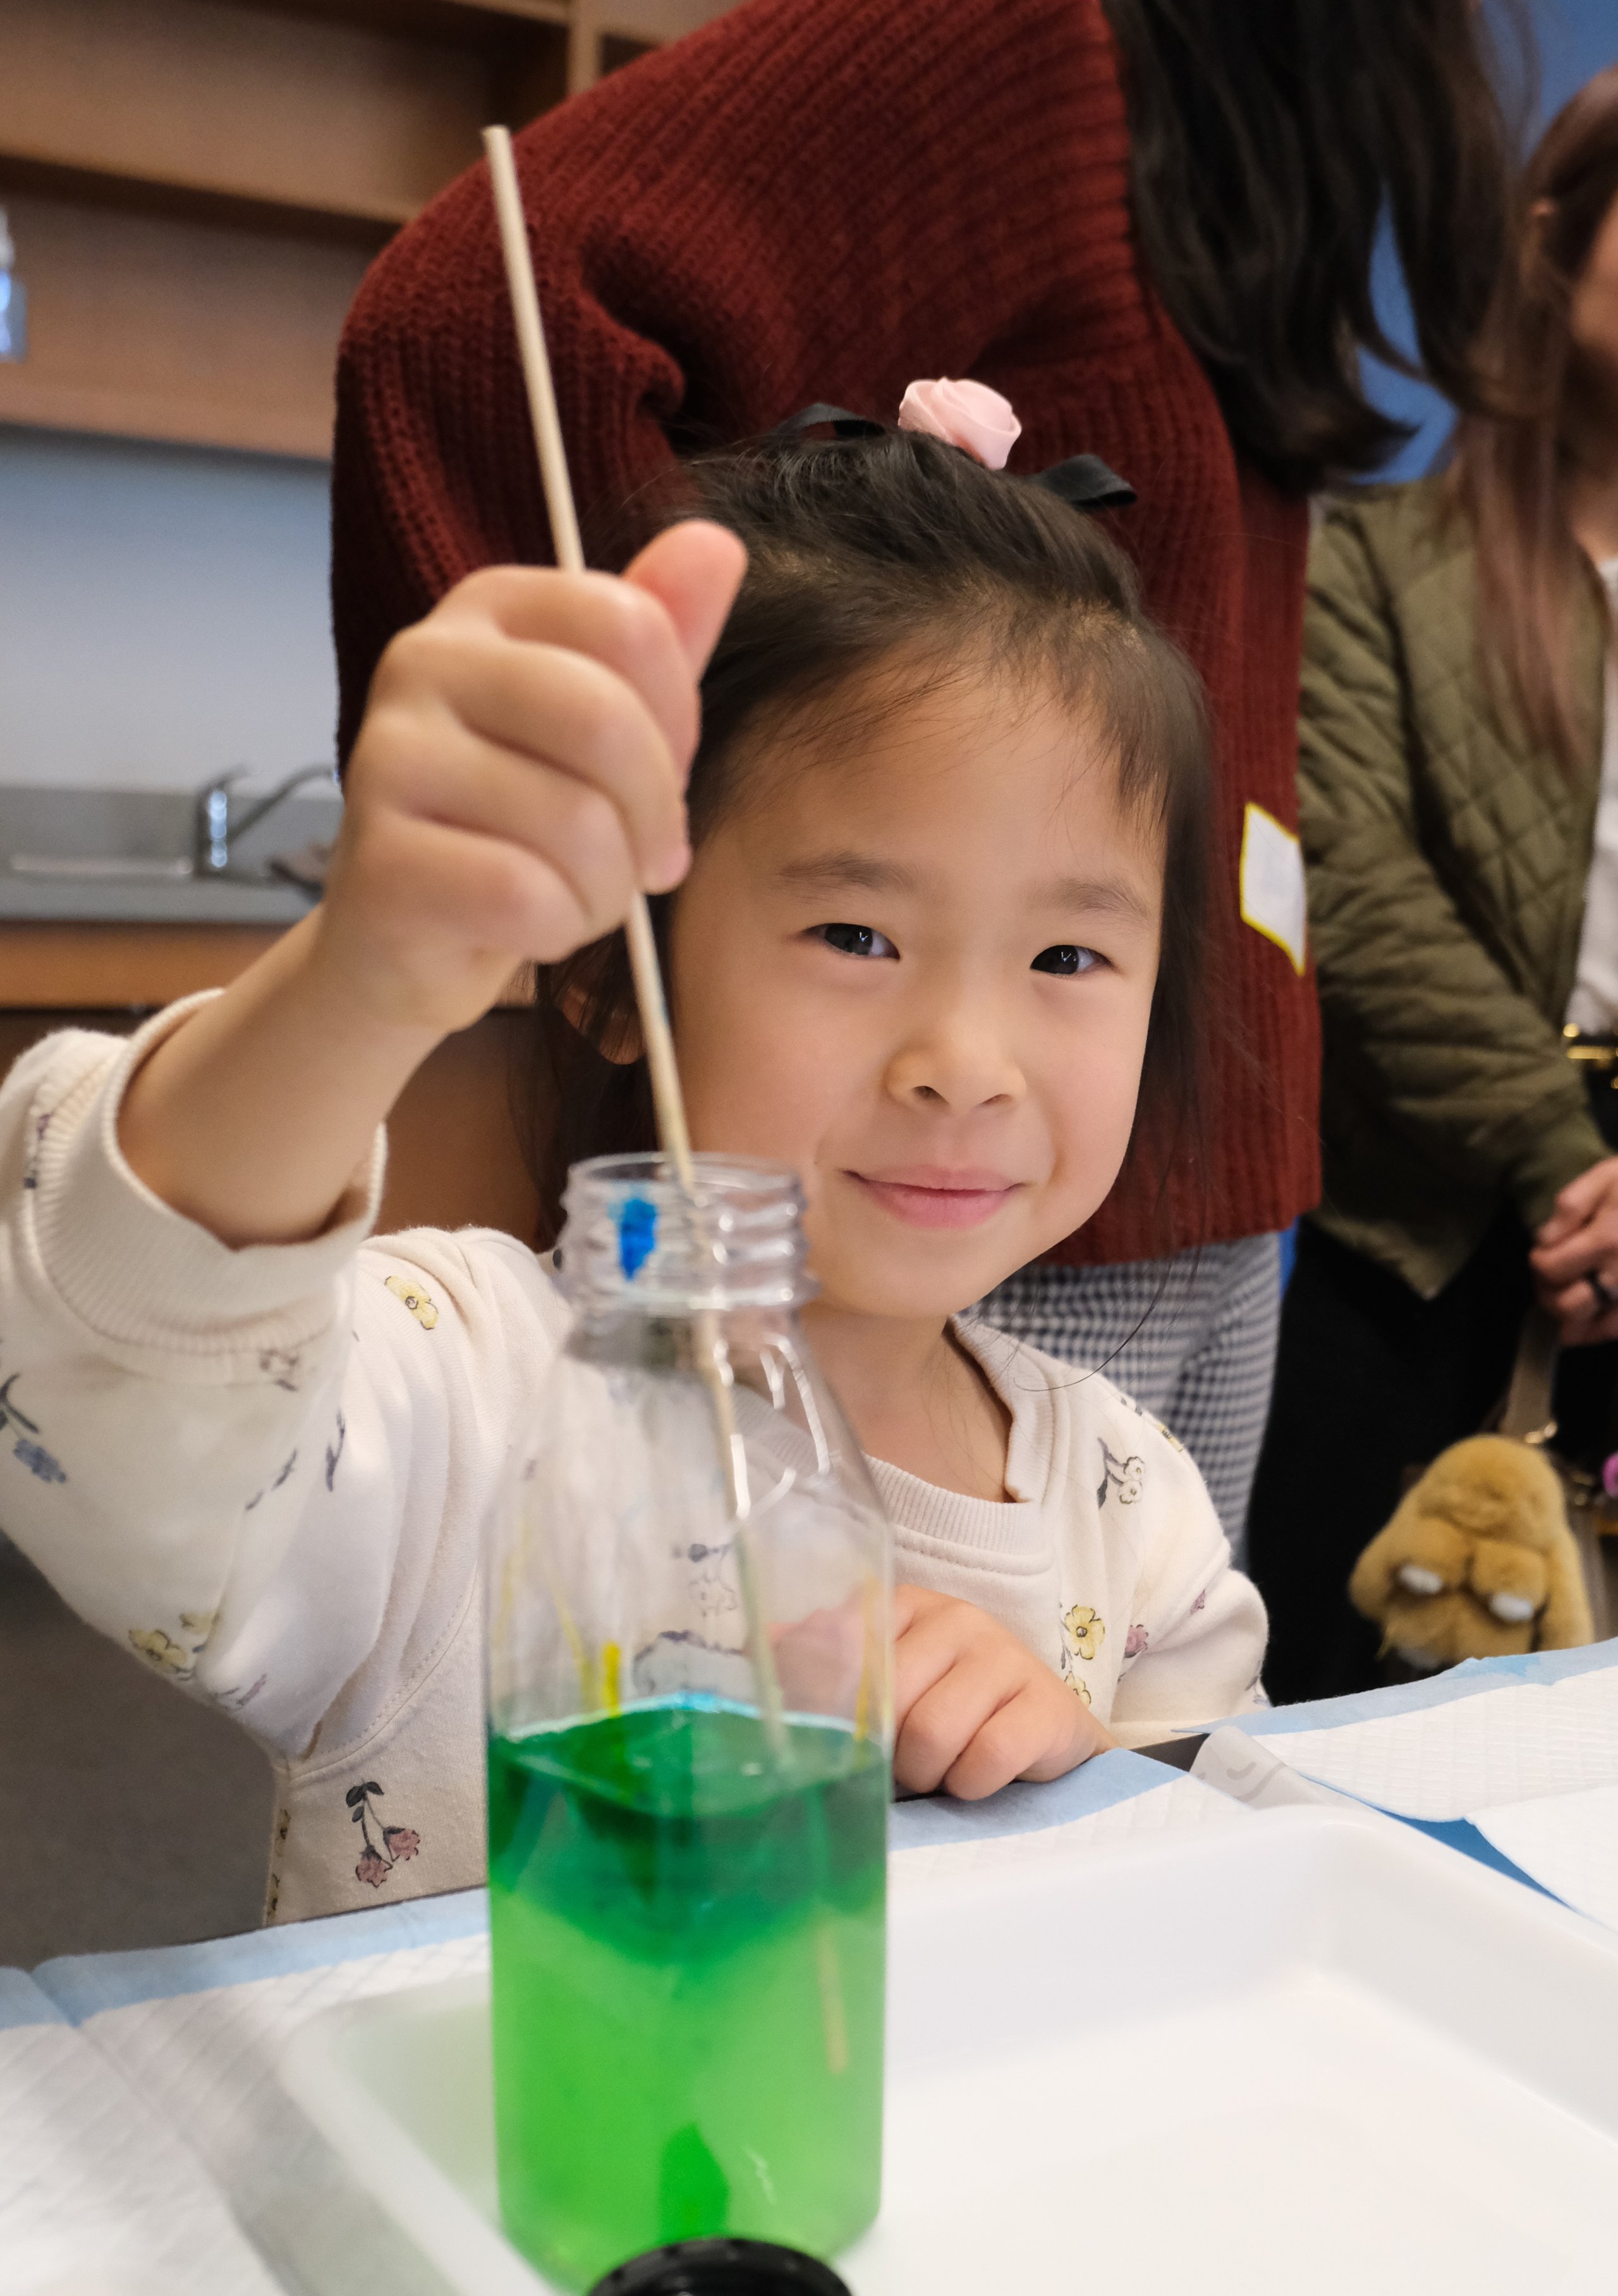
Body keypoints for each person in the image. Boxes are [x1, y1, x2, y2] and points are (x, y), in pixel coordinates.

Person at [0, 415, 1264, 1924]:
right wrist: (363, 975)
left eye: (1068, 953)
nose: (966, 1060)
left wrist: (1085, 1777)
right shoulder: (467, 1400)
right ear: (612, 975)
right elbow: (120, 1394)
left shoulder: (1135, 1518)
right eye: (855, 936)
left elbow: (1215, 1916)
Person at [326, 0, 1524, 1553]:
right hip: (952, 1230)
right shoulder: (1032, 29)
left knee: (1116, 1727)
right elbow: (481, 308)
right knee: (841, 1760)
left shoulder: (1239, 161)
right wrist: (644, 808)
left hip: (1177, 1180)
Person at [1248, 67, 1618, 1704]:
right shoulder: (1380, 558)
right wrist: (1560, 1156)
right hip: (1415, 1237)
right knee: (1343, 1701)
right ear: (1556, 239)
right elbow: (1351, 887)